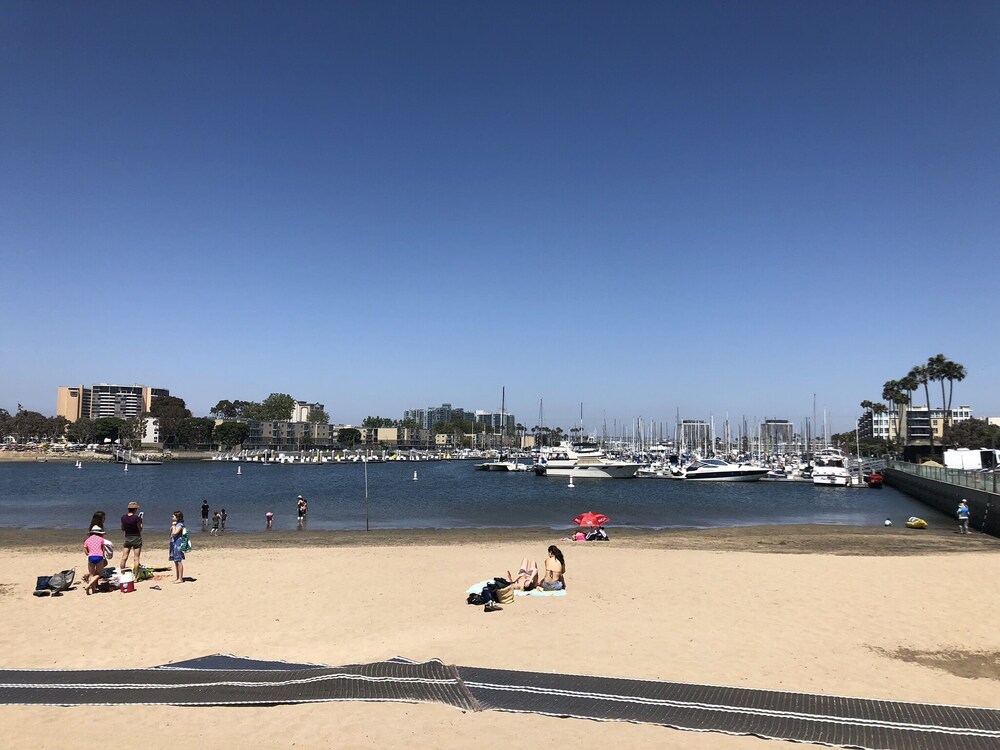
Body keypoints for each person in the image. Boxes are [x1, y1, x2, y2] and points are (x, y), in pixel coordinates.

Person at [83, 525, 107, 595]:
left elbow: (86, 552)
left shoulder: (87, 540)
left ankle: (93, 590)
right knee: (98, 574)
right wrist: (104, 557)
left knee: (91, 574)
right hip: (99, 556)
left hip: (91, 557)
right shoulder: (101, 539)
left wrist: (90, 553)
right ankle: (88, 585)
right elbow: (103, 550)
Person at [120, 501, 143, 573]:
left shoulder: (123, 518)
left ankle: (122, 574)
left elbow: (123, 529)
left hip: (127, 537)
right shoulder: (137, 518)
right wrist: (141, 522)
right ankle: (136, 577)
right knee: (136, 558)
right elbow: (140, 529)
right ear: (135, 509)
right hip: (136, 537)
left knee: (124, 557)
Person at [169, 511, 186, 583]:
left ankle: (180, 578)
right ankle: (177, 577)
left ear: (178, 517)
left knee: (179, 560)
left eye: (173, 516)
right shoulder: (177, 524)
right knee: (175, 561)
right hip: (174, 543)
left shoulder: (180, 524)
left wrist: (173, 526)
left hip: (178, 544)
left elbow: (175, 533)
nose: (172, 517)